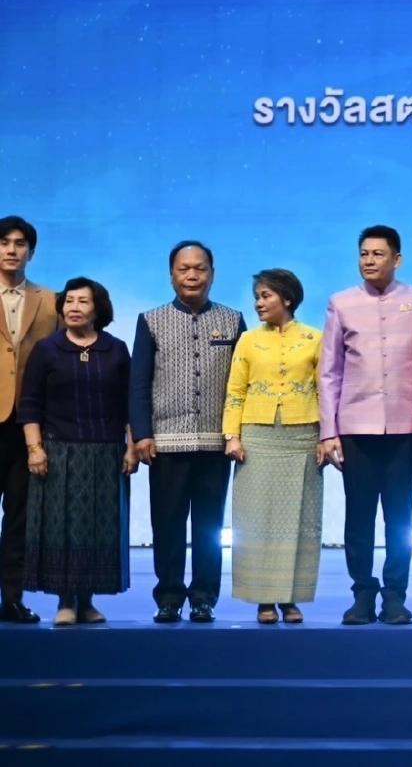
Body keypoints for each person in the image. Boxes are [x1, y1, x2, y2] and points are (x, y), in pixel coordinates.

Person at [130, 241, 246, 624]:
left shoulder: (233, 320)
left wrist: (236, 433)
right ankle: (168, 596)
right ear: (171, 275)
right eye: (184, 269)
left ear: (212, 274)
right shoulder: (151, 320)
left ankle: (203, 598)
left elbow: (242, 382)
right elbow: (139, 382)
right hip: (165, 442)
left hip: (216, 442)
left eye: (200, 268)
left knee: (210, 526)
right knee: (167, 523)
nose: (192, 275)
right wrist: (142, 434)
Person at [320, 226, 412, 626]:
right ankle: (362, 593)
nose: (369, 260)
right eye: (363, 253)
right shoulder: (341, 303)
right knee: (359, 516)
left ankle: (396, 595)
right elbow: (329, 371)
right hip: (355, 428)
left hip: (405, 429)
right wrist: (328, 432)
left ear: (396, 259)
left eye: (378, 254)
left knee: (400, 518)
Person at [20, 278, 136, 625]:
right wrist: (35, 449)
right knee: (63, 530)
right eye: (68, 301)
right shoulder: (47, 349)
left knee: (96, 529)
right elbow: (30, 404)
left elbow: (128, 404)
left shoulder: (115, 349)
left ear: (97, 308)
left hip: (105, 454)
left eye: (82, 302)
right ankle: (65, 602)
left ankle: (87, 601)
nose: (73, 307)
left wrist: (131, 447)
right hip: (58, 452)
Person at [224, 269, 324, 624]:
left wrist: (327, 438)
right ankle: (263, 598)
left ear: (287, 298)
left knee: (299, 521)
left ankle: (291, 598)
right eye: (257, 296)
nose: (258, 303)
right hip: (257, 437)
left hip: (302, 438)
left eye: (265, 295)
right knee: (257, 520)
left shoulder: (315, 338)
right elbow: (236, 391)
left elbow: (326, 391)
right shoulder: (249, 340)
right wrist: (232, 436)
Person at [0, 216, 58, 624]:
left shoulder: (52, 301)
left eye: (20, 243)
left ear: (31, 252)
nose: (11, 250)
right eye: (4, 242)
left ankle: (13, 599)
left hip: (27, 426)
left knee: (19, 516)